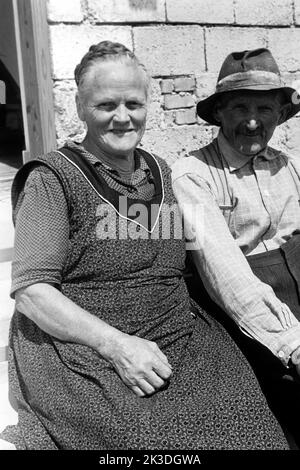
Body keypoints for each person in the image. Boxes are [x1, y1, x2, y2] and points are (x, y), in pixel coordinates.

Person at [0, 42, 288, 450]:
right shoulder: (52, 180)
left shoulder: (160, 171)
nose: (122, 117)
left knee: (253, 426)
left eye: (133, 103)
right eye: (106, 105)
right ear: (80, 106)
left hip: (178, 335)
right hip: (85, 348)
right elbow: (32, 293)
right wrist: (116, 346)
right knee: (150, 442)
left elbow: (203, 247)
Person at [172, 48, 300, 448]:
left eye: (264, 107)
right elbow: (225, 275)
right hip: (248, 315)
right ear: (219, 114)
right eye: (240, 106)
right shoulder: (192, 175)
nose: (252, 120)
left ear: (280, 114)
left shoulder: (290, 165)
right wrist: (293, 345)